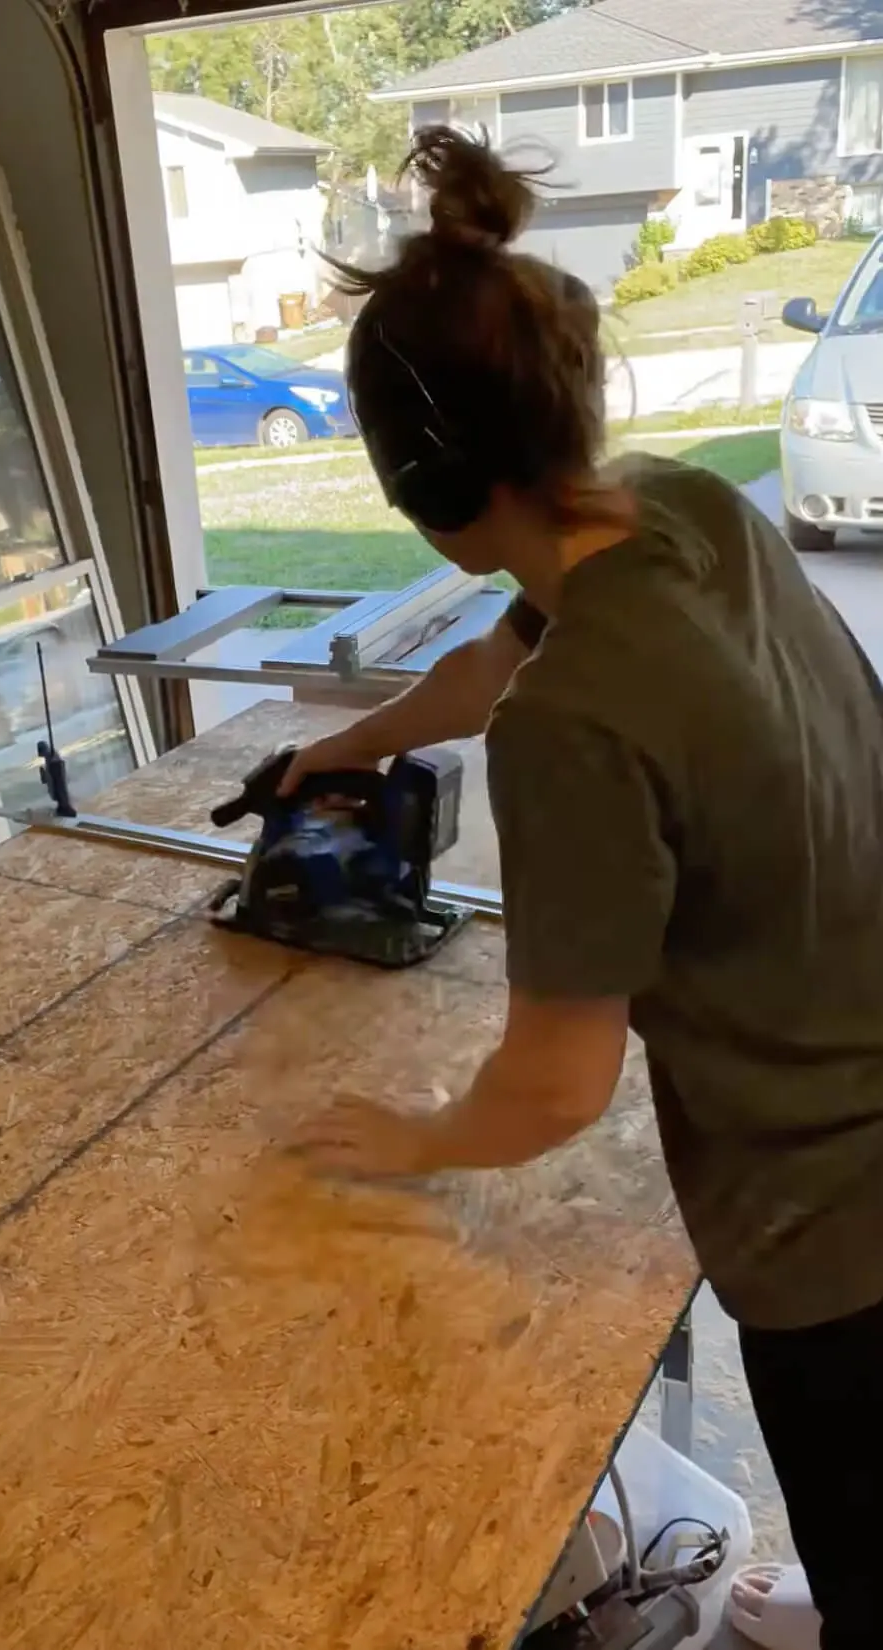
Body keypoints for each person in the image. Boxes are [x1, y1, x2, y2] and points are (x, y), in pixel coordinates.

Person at [285, 126, 883, 1650]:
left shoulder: (574, 732)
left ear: (414, 481)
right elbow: (509, 647)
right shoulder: (686, 506)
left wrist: (406, 1141)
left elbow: (555, 1087)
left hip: (837, 1219)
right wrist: (355, 737)